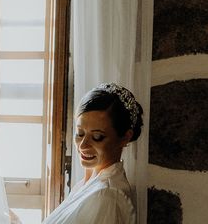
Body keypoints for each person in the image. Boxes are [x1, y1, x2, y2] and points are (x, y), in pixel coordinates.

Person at [43, 83, 144, 224]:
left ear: (125, 137)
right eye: (79, 133)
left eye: (97, 137)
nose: (83, 145)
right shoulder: (88, 184)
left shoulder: (106, 195)